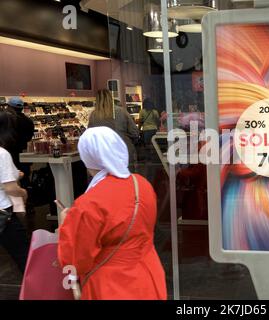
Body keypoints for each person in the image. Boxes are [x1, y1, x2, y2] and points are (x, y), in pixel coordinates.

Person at [57, 126, 167, 300]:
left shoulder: (88, 203)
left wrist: (65, 225)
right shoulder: (142, 184)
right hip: (148, 273)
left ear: (87, 157)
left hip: (111, 284)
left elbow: (75, 259)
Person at [0, 109, 29, 273]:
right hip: (4, 214)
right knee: (24, 256)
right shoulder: (2, 154)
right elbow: (10, 188)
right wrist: (23, 193)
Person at [88, 89, 139, 172]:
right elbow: (135, 133)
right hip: (124, 152)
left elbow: (89, 138)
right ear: (110, 98)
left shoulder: (94, 115)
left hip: (104, 156)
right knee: (127, 181)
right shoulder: (121, 111)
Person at [6, 97, 34, 181]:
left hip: (11, 156)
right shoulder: (29, 121)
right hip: (24, 155)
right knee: (25, 179)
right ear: (21, 108)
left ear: (9, 107)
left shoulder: (7, 120)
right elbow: (29, 137)